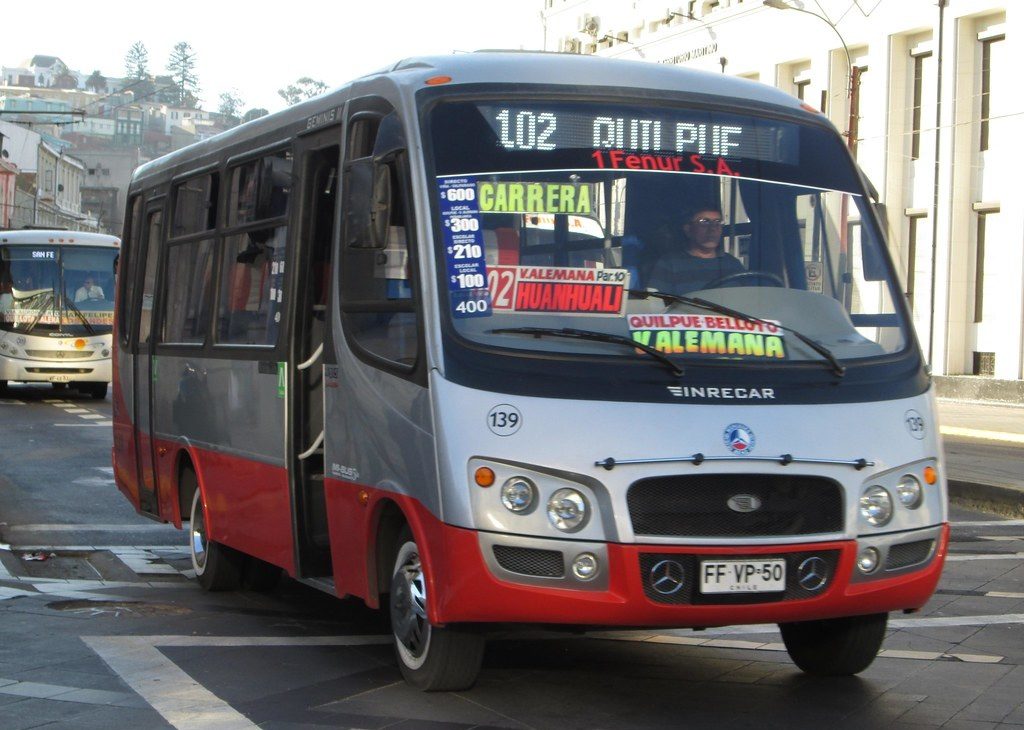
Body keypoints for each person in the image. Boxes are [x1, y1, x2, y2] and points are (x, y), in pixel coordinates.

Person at [646, 207, 745, 293]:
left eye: (718, 222)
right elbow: (656, 305)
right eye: (704, 222)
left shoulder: (733, 264)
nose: (712, 228)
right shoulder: (669, 264)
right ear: (688, 229)